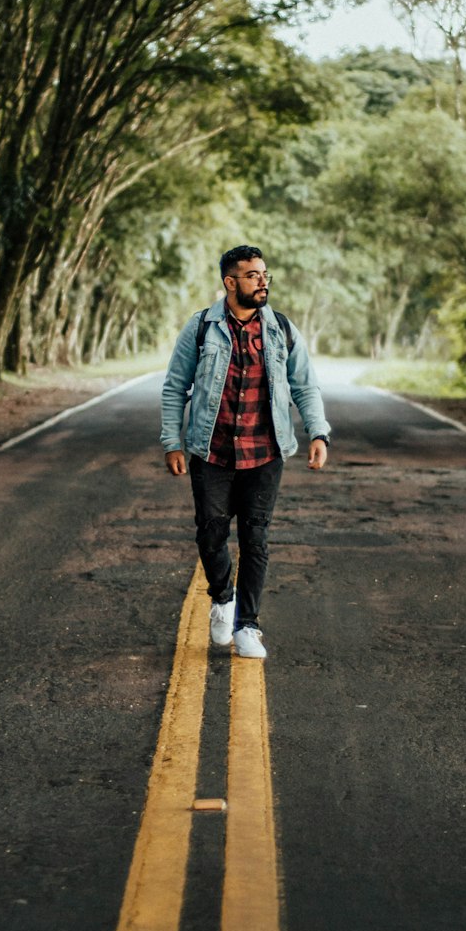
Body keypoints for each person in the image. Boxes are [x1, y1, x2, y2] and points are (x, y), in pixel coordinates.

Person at [160, 245, 331, 659]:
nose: (263, 282)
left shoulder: (281, 329)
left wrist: (318, 433)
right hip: (211, 449)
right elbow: (174, 387)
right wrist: (172, 442)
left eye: (265, 274)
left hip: (265, 451)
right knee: (211, 532)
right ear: (230, 282)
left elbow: (305, 386)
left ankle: (248, 626)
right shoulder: (201, 327)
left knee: (256, 539)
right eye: (253, 275)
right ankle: (222, 598)